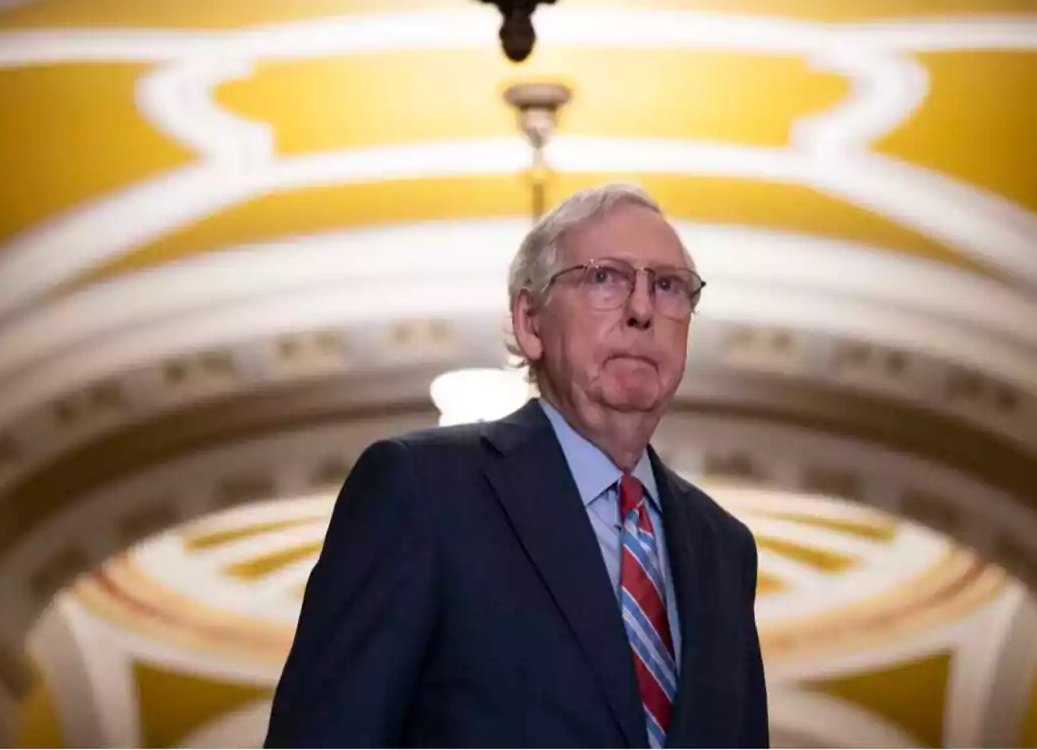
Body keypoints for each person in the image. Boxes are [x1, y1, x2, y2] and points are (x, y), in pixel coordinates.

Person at [264, 183, 769, 748]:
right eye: (605, 277)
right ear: (530, 322)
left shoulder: (725, 548)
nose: (643, 309)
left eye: (668, 286)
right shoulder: (421, 491)